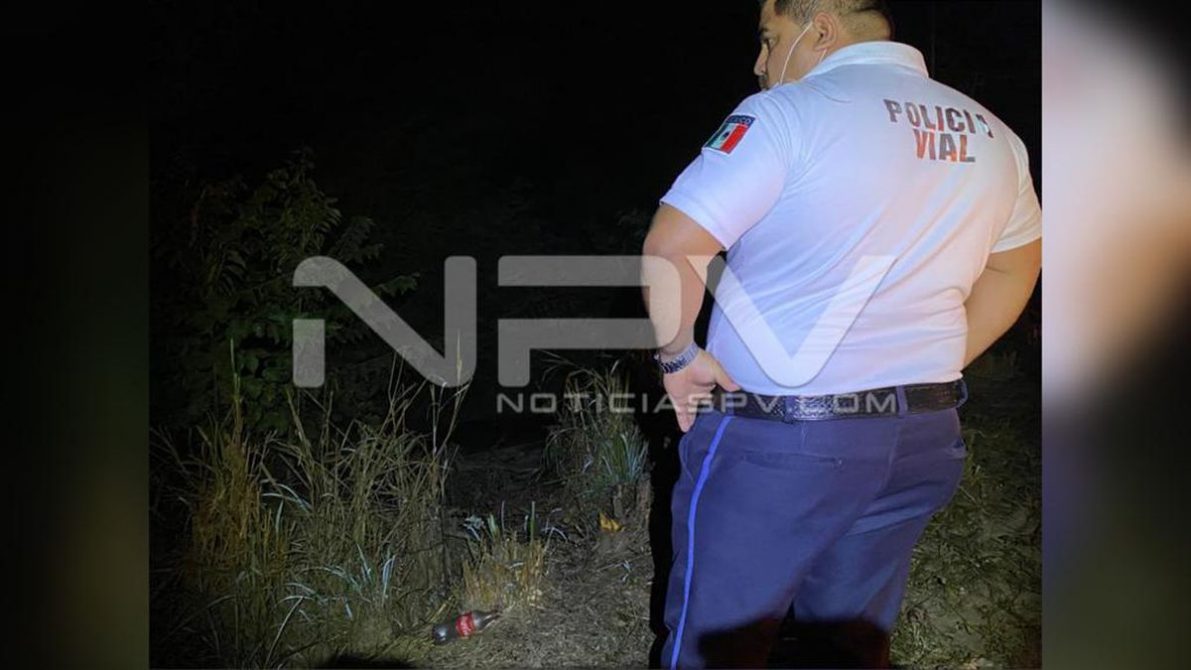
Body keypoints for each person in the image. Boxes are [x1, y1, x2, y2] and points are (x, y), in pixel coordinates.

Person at [640, 0, 1041, 667]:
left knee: (719, 643)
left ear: (819, 29)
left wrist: (678, 356)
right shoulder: (993, 134)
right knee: (849, 641)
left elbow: (672, 246)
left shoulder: (786, 114)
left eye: (770, 39)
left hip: (782, 439)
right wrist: (935, 363)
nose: (760, 62)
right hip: (923, 436)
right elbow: (1015, 266)